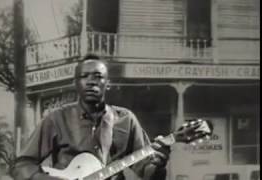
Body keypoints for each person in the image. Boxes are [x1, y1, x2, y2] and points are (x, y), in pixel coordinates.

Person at [13, 54, 171, 180]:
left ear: (107, 83)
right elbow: (21, 165)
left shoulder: (126, 120)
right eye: (84, 76)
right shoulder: (56, 119)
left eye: (97, 76)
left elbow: (146, 172)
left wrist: (159, 164)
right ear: (75, 83)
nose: (91, 82)